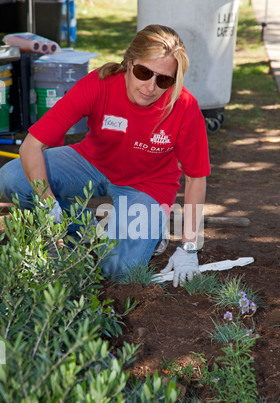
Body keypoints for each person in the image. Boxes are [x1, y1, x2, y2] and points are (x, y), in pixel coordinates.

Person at [0, 24, 210, 286]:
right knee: (11, 176)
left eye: (164, 79)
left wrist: (189, 248)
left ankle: (148, 229)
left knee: (117, 271)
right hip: (90, 162)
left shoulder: (184, 106)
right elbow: (31, 145)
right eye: (144, 72)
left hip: (147, 185)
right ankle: (81, 227)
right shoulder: (99, 84)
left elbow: (196, 178)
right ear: (129, 62)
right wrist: (47, 203)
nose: (150, 87)